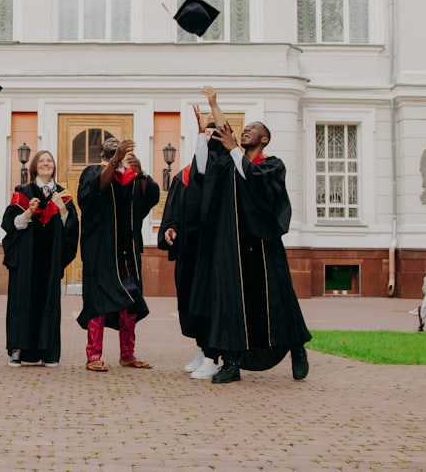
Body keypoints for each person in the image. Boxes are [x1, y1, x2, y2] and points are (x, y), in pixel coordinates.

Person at [190, 86, 312, 384]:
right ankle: (232, 362)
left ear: (264, 138)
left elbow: (254, 181)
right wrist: (213, 106)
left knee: (278, 300)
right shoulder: (230, 166)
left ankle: (296, 347)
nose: (246, 132)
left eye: (253, 129)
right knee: (231, 302)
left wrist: (232, 146)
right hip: (232, 248)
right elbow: (216, 149)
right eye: (244, 129)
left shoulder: (271, 164)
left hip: (261, 246)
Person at [77, 136, 160, 371]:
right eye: (110, 142)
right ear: (103, 152)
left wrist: (141, 172)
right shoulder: (92, 172)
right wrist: (117, 159)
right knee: (97, 302)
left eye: (117, 142)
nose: (114, 141)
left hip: (127, 251)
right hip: (100, 251)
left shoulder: (132, 178)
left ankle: (127, 354)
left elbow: (149, 198)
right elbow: (92, 193)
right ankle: (93, 355)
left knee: (130, 301)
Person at [1, 150, 80, 367]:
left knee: (49, 303)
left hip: (51, 259)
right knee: (21, 302)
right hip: (26, 259)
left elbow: (71, 229)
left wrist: (62, 208)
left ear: (54, 166)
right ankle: (17, 349)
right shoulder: (23, 192)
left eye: (50, 161)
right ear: (35, 166)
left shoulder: (63, 195)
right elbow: (11, 224)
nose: (46, 164)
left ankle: (49, 351)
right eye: (42, 161)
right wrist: (28, 212)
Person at [158, 107, 218, 380]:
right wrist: (170, 229)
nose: (204, 139)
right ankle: (201, 347)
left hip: (212, 248)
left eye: (209, 134)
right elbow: (173, 211)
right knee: (190, 300)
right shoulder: (183, 176)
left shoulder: (219, 174)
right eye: (201, 135)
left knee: (208, 300)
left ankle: (212, 354)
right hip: (189, 250)